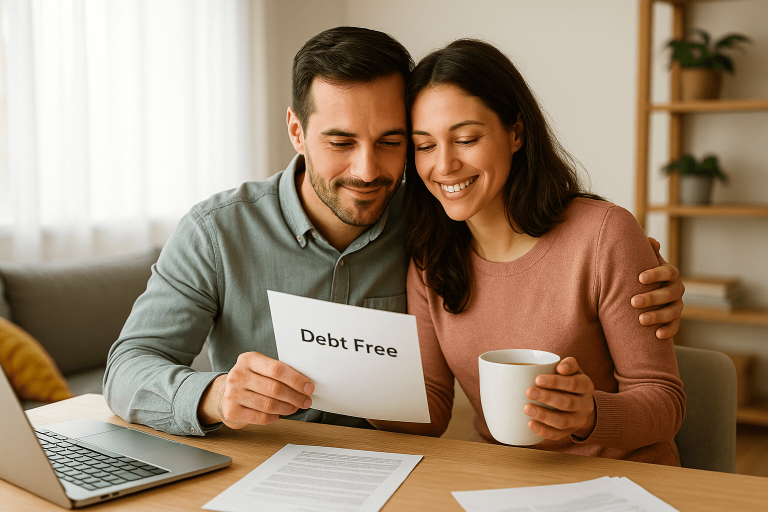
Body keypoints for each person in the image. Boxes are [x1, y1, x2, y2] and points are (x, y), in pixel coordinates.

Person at [104, 27, 684, 438]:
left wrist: (635, 267)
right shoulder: (218, 232)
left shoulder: (430, 221)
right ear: (297, 132)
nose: (367, 170)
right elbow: (128, 366)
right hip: (260, 465)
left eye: (392, 142)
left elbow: (555, 259)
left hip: (399, 471)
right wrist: (212, 395)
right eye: (340, 141)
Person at [370, 39, 685, 466]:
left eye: (466, 138)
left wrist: (589, 415)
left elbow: (665, 403)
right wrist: (338, 383)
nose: (443, 166)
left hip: (620, 478)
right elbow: (433, 405)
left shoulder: (603, 235)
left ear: (516, 133)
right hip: (500, 480)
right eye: (425, 146)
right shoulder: (432, 257)